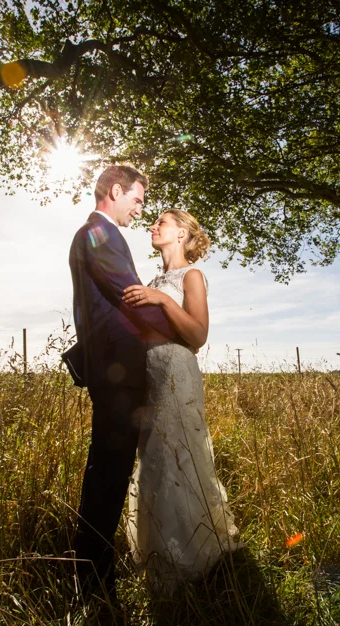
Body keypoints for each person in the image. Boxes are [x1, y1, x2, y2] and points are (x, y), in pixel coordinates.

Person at [67, 165, 180, 604]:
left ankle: (94, 573)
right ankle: (92, 583)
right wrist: (181, 333)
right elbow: (131, 296)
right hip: (116, 371)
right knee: (107, 475)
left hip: (118, 369)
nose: (140, 208)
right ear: (116, 191)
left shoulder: (103, 235)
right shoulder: (98, 234)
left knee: (110, 472)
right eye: (137, 199)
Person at [121, 208, 242, 593]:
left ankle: (187, 556)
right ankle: (156, 549)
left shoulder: (191, 276)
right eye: (153, 222)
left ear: (182, 235)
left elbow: (198, 334)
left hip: (175, 371)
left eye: (162, 223)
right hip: (147, 376)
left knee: (179, 454)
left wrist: (162, 301)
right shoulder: (152, 279)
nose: (153, 226)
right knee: (152, 458)